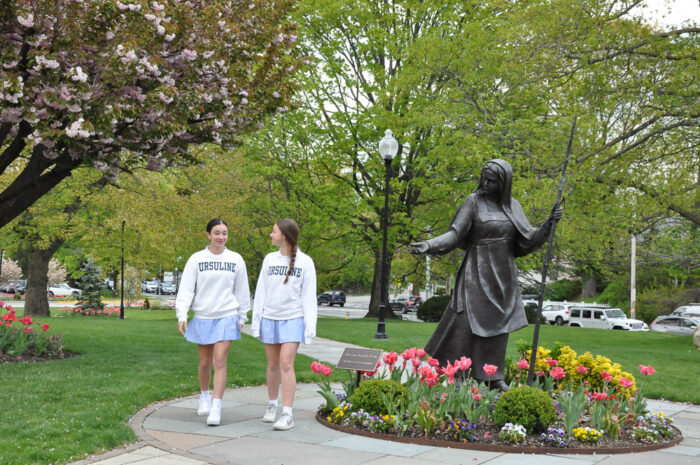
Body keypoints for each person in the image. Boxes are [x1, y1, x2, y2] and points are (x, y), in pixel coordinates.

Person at [411, 159, 562, 392]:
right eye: (483, 178)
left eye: (491, 180)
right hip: (475, 271)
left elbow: (528, 239)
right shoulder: (473, 202)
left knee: (498, 326)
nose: (484, 183)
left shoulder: (513, 206)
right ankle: (457, 373)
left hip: (503, 276)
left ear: (503, 183)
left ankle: (492, 376)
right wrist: (429, 245)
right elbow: (454, 234)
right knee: (465, 323)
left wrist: (549, 224)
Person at [175, 218, 251, 425]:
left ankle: (216, 407)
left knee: (220, 361)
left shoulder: (235, 259)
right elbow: (187, 289)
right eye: (217, 233)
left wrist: (242, 316)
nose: (221, 237)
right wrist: (182, 314)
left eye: (224, 233)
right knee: (205, 362)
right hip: (203, 316)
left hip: (227, 315)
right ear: (208, 234)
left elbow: (242, 290)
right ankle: (204, 396)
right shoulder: (197, 259)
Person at [251, 218, 317, 431]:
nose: (271, 235)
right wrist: (257, 320)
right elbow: (261, 291)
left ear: (285, 236)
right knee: (272, 365)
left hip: (293, 319)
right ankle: (272, 406)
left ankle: (287, 413)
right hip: (270, 318)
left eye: (274, 232)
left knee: (286, 363)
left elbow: (309, 297)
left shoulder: (305, 262)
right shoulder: (269, 260)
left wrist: (310, 327)